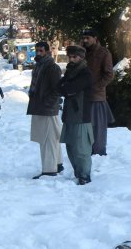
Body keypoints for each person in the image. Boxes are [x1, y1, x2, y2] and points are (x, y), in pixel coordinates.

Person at [26, 41, 64, 179]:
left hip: (46, 107)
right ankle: (58, 164)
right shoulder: (39, 66)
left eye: (41, 51)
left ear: (48, 51)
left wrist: (47, 103)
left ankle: (49, 169)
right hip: (41, 106)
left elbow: (56, 90)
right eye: (37, 50)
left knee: (47, 139)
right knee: (53, 137)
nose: (38, 53)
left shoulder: (52, 67)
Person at [58, 45, 94, 185]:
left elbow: (68, 89)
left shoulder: (86, 73)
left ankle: (85, 175)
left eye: (75, 57)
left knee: (82, 149)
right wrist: (64, 88)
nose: (72, 59)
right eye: (70, 56)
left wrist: (65, 88)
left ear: (81, 57)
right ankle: (78, 174)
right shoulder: (70, 71)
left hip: (81, 117)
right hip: (69, 115)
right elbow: (59, 87)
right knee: (71, 148)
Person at [81, 28, 114, 156]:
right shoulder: (83, 52)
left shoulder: (104, 53)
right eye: (84, 38)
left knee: (98, 128)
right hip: (83, 97)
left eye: (88, 38)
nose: (85, 40)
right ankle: (87, 151)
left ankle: (99, 153)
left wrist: (96, 87)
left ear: (95, 38)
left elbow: (109, 75)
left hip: (96, 97)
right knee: (85, 127)